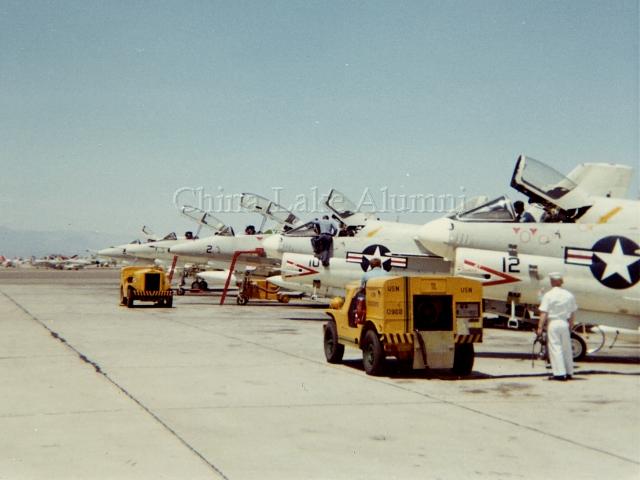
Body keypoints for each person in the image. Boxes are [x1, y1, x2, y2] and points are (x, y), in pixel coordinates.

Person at [537, 272, 577, 381]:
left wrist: (540, 327)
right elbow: (573, 313)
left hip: (553, 323)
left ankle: (559, 374)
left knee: (555, 348)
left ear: (552, 282)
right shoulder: (569, 295)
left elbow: (544, 313)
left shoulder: (548, 295)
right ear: (561, 282)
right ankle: (569, 372)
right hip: (564, 323)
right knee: (566, 348)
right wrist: (571, 326)